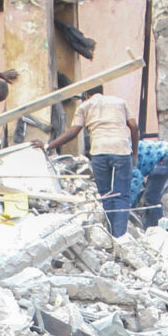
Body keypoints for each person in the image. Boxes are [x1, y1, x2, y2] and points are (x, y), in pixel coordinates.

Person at [48, 88, 136, 239]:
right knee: (122, 196)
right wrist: (134, 153)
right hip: (121, 150)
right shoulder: (120, 102)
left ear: (86, 95)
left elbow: (73, 132)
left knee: (106, 195)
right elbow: (134, 126)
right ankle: (120, 237)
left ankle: (109, 235)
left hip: (99, 151)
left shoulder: (85, 106)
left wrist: (48, 146)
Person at [130, 136, 168, 231]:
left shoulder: (122, 158)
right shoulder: (120, 151)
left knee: (151, 199)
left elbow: (137, 178)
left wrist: (129, 204)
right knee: (151, 197)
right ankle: (151, 229)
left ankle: (155, 232)